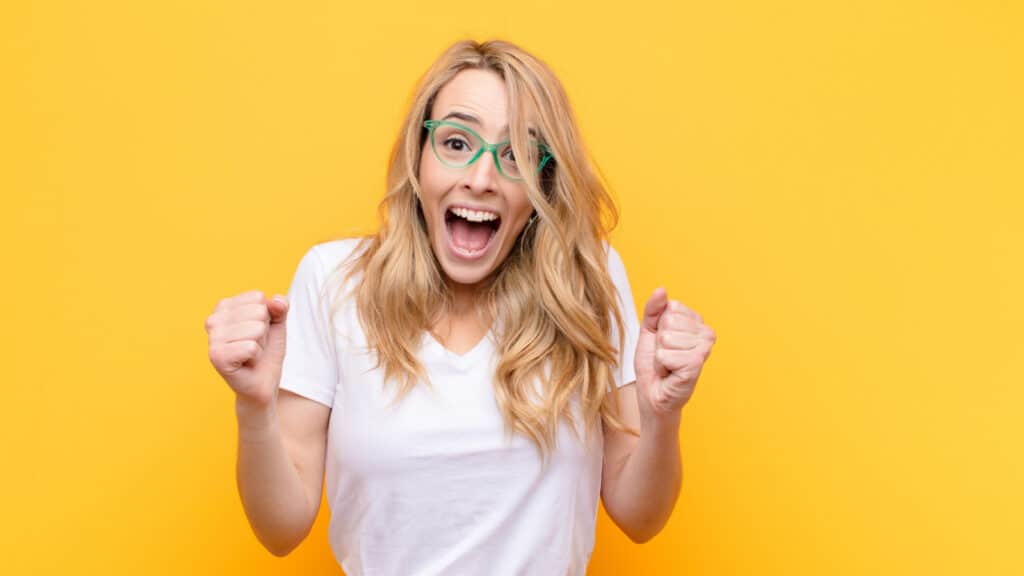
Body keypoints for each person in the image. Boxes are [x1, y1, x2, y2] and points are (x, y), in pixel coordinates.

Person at [205, 39, 716, 575]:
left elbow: (641, 517)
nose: (481, 178)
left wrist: (663, 418)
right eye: (456, 142)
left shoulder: (584, 281)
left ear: (544, 180)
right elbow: (281, 529)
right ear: (418, 155)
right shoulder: (333, 281)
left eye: (516, 154)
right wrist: (253, 409)